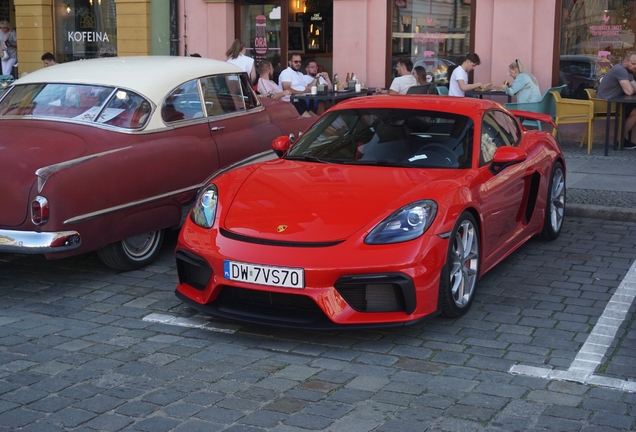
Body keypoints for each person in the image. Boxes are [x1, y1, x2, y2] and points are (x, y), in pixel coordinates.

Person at [598, 51, 636, 149]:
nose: (635, 66)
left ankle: (620, 140)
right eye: (633, 64)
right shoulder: (620, 70)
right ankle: (620, 140)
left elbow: (634, 87)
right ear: (625, 62)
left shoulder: (628, 71)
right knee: (635, 113)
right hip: (605, 104)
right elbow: (629, 91)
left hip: (614, 102)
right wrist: (631, 87)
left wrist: (632, 87)